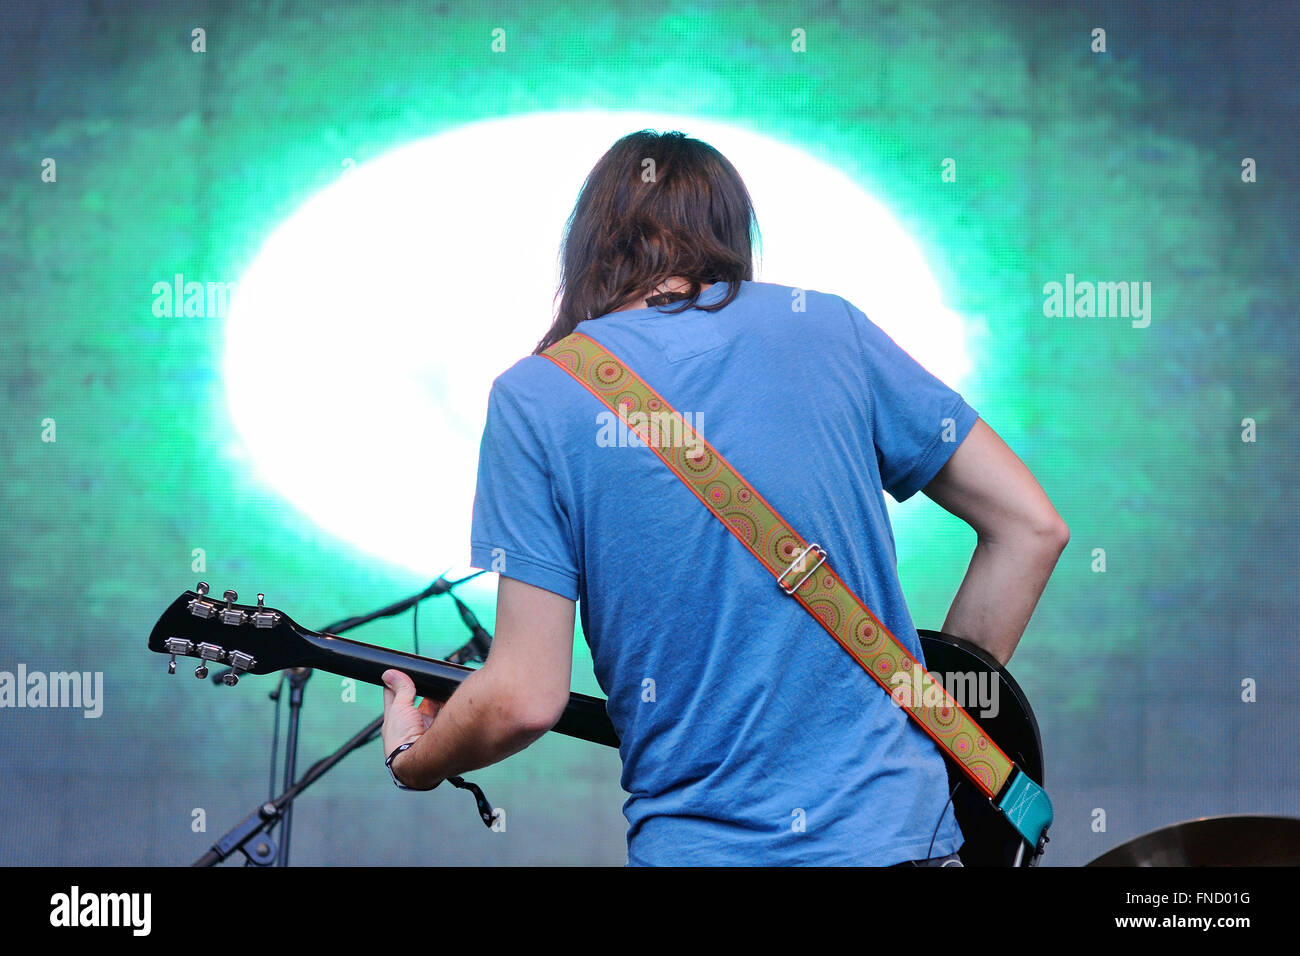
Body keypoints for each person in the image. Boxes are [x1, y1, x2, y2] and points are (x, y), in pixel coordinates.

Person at [379, 130, 1068, 866]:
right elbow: (1032, 528)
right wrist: (932, 707)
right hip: (905, 839)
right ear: (730, 233)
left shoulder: (538, 396)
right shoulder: (828, 326)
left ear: (587, 244)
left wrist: (416, 757)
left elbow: (520, 697)